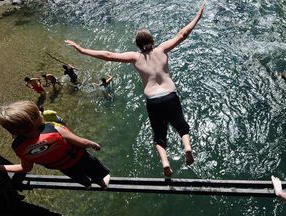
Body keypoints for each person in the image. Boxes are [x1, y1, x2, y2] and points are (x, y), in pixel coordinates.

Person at [65, 2, 206, 176]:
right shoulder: (162, 49)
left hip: (153, 100)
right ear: (152, 40)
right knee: (182, 127)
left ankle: (165, 162)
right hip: (170, 95)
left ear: (137, 44)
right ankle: (187, 147)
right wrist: (198, 16)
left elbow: (108, 55)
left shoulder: (135, 57)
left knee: (159, 137)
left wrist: (82, 50)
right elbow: (183, 33)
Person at [0, 101, 110, 189]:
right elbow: (81, 143)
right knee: (98, 172)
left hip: (64, 167)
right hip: (81, 159)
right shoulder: (54, 128)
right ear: (33, 121)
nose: (42, 113)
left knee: (78, 177)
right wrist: (93, 144)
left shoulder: (18, 146)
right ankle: (103, 185)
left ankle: (87, 185)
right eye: (39, 114)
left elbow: (25, 168)